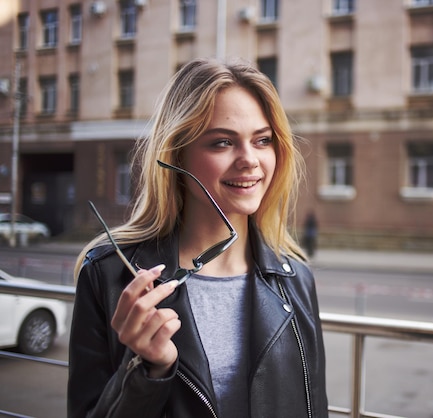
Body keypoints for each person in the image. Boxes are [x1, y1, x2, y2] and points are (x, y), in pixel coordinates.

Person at [68, 58, 328, 418]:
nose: (249, 160)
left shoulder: (296, 277)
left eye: (263, 140)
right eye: (222, 142)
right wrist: (148, 370)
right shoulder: (108, 275)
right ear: (176, 154)